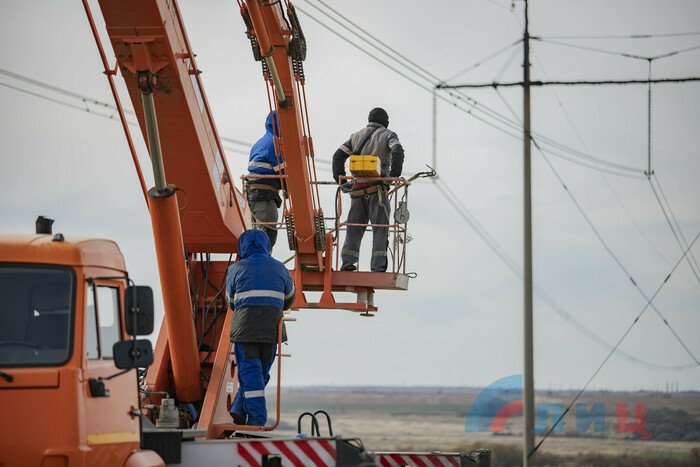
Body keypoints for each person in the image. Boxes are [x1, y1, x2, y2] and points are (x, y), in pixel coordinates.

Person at [226, 229, 295, 426]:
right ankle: (239, 410)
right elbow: (289, 299)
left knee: (251, 376)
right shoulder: (280, 268)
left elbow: (231, 301)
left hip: (245, 331)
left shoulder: (235, 269)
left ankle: (256, 420)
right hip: (271, 331)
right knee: (260, 375)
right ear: (267, 246)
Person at [332, 107, 405, 272]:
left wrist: (342, 181)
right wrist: (393, 176)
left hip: (357, 192)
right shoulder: (388, 135)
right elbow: (398, 151)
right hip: (377, 193)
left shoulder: (355, 136)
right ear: (385, 121)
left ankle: (347, 265)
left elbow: (338, 156)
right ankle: (378, 267)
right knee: (380, 230)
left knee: (353, 230)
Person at [247, 110, 284, 249]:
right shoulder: (274, 143)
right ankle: (264, 261)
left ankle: (259, 260)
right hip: (264, 195)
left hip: (256, 194)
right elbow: (282, 170)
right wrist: (291, 188)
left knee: (259, 231)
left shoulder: (260, 143)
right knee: (268, 232)